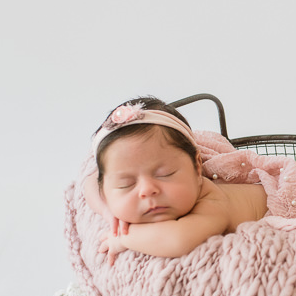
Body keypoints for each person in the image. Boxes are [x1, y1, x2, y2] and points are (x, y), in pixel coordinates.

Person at [84, 96, 268, 263]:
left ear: (197, 167)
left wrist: (124, 237)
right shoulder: (106, 186)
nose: (147, 190)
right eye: (126, 184)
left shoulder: (212, 201)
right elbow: (90, 183)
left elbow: (178, 240)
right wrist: (107, 211)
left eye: (165, 174)